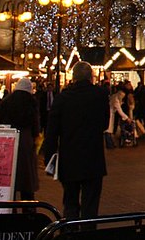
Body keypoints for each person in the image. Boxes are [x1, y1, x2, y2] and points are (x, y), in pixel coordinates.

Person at [41, 61, 110, 220]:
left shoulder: (62, 98)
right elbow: (104, 124)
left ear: (73, 78)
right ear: (91, 77)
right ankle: (87, 234)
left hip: (69, 158)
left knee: (70, 201)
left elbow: (52, 131)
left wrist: (49, 156)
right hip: (93, 157)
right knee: (91, 203)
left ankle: (70, 233)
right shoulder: (100, 95)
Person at [0, 77, 40, 200]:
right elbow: (35, 124)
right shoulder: (31, 102)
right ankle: (29, 208)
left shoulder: (6, 101)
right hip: (25, 140)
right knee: (27, 177)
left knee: (10, 176)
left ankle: (10, 208)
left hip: (8, 139)